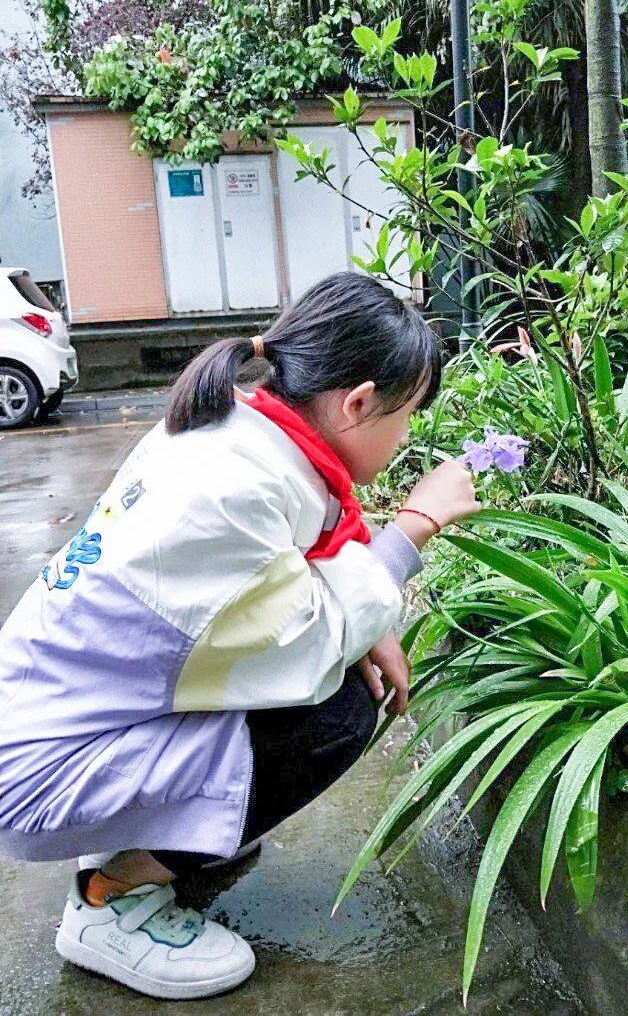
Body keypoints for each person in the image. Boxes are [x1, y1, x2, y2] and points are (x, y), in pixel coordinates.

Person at [0, 272, 478, 1000]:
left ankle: (175, 827)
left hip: (69, 717)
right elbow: (309, 649)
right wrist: (414, 528)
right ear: (357, 403)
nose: (406, 435)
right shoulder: (236, 487)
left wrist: (370, 616)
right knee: (339, 710)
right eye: (406, 415)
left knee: (339, 679)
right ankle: (111, 898)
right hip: (39, 775)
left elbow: (294, 576)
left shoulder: (237, 429)